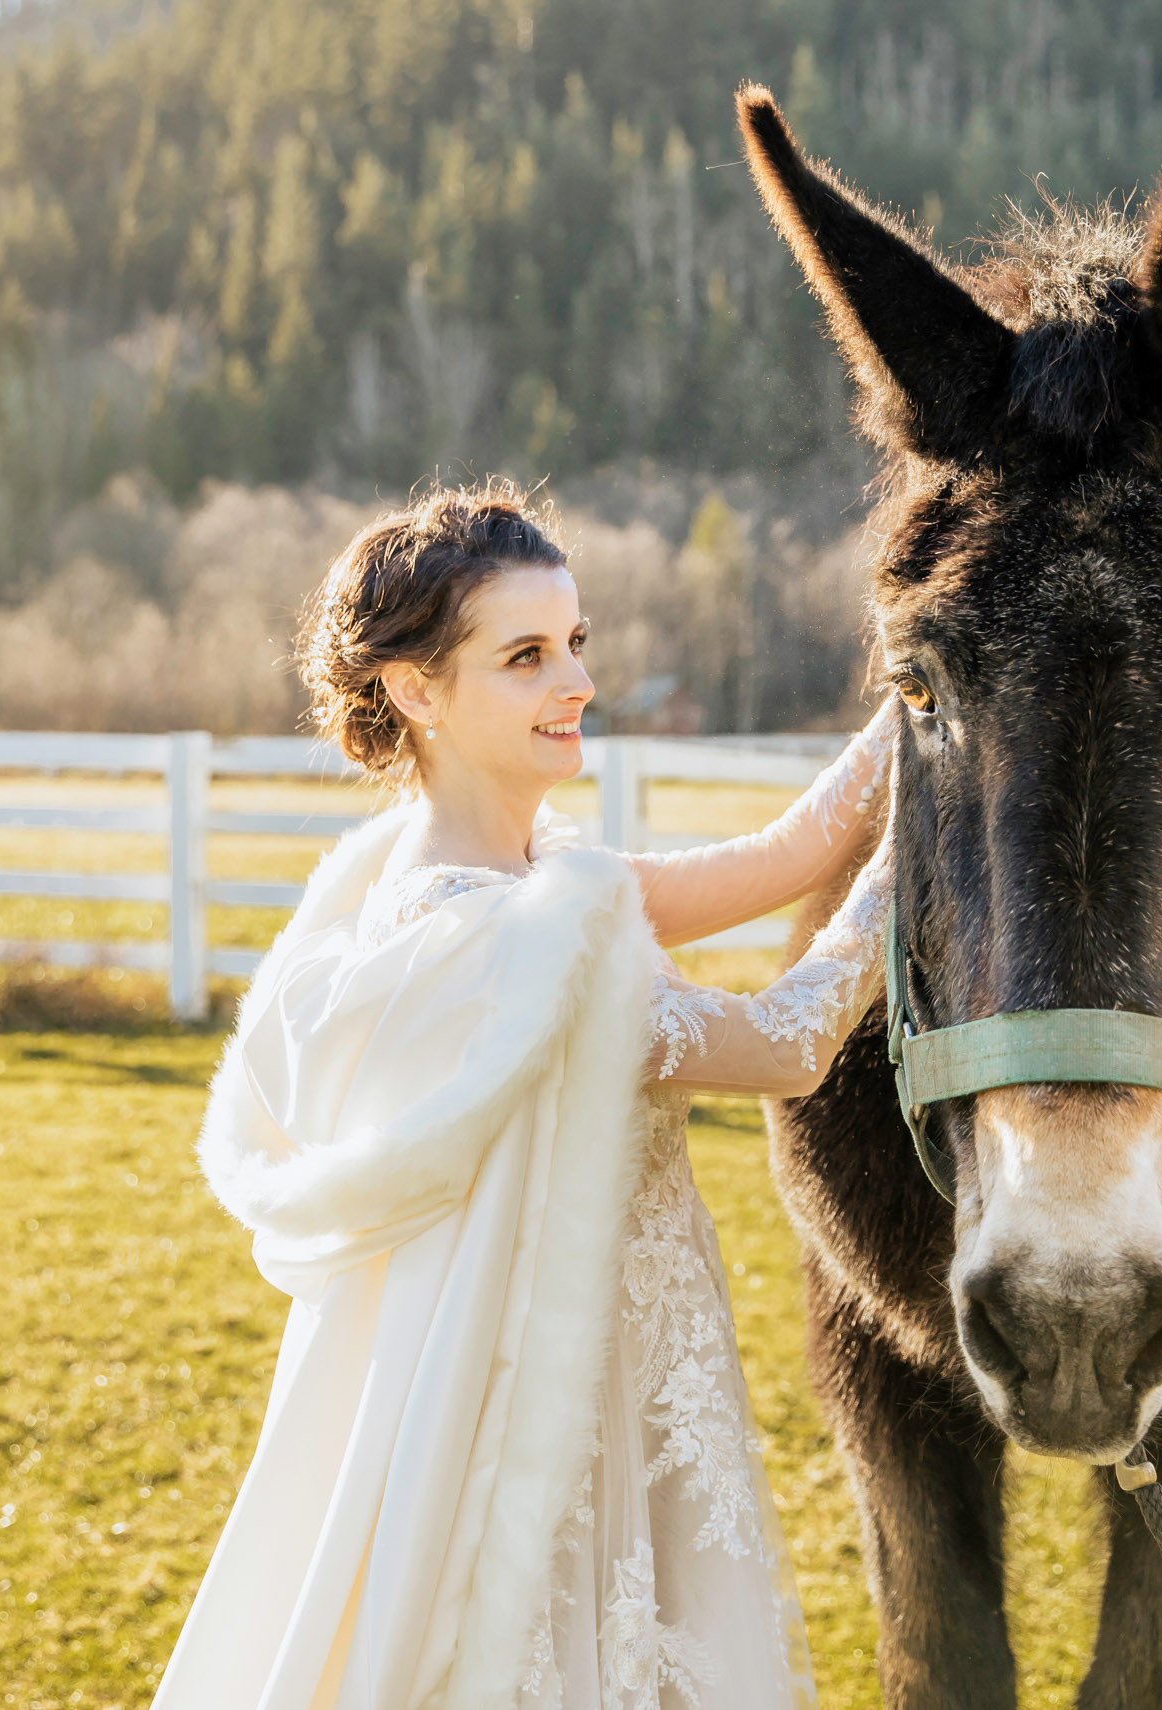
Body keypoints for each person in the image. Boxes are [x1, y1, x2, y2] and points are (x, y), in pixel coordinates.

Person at [156, 481, 896, 1710]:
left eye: (575, 644)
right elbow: (781, 1045)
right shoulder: (509, 944)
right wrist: (905, 869)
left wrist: (924, 706)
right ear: (414, 690)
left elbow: (784, 858)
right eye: (524, 656)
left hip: (573, 1385)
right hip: (544, 1415)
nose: (577, 683)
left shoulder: (491, 879)